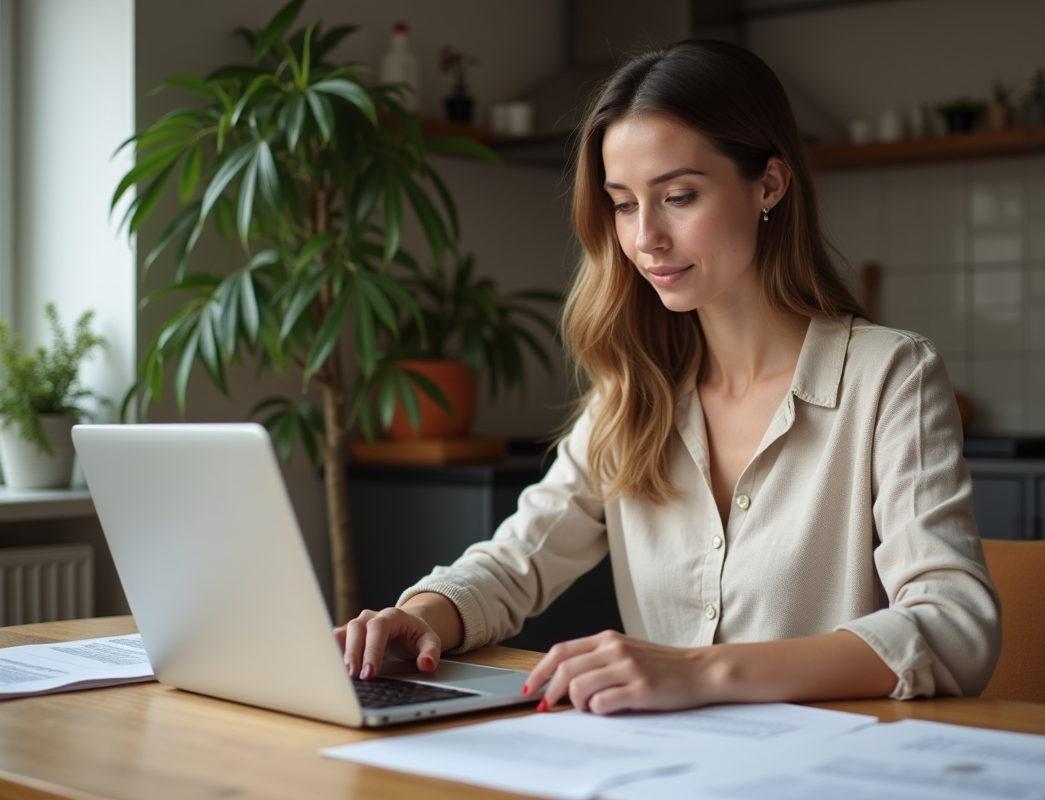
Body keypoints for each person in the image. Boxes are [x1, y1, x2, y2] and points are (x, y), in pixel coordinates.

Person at [337, 40, 1001, 715]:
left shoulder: (890, 376)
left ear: (770, 185)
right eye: (624, 204)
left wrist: (700, 671)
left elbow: (955, 627)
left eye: (679, 196)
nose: (645, 237)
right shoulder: (632, 392)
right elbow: (518, 560)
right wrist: (422, 613)